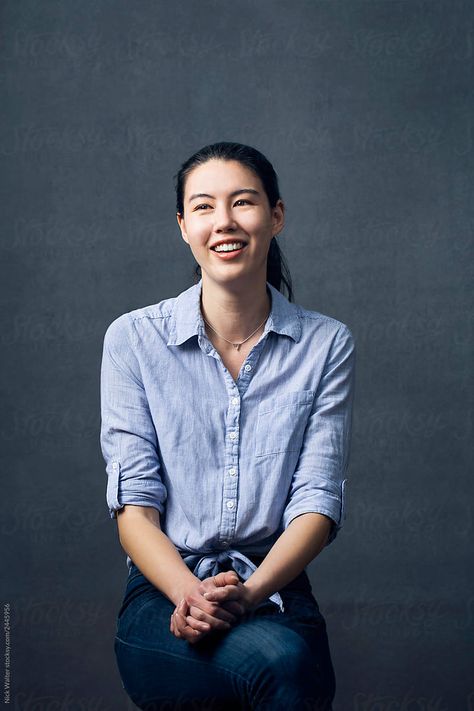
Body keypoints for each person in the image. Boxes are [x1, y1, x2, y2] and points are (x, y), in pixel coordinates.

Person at [100, 141, 356, 710]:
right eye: (203, 207)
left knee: (289, 666)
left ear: (276, 216)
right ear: (183, 226)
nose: (225, 222)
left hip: (277, 587)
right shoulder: (133, 341)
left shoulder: (326, 344)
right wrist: (189, 593)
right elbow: (134, 508)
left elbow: (317, 501)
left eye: (243, 202)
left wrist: (250, 593)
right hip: (163, 591)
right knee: (284, 669)